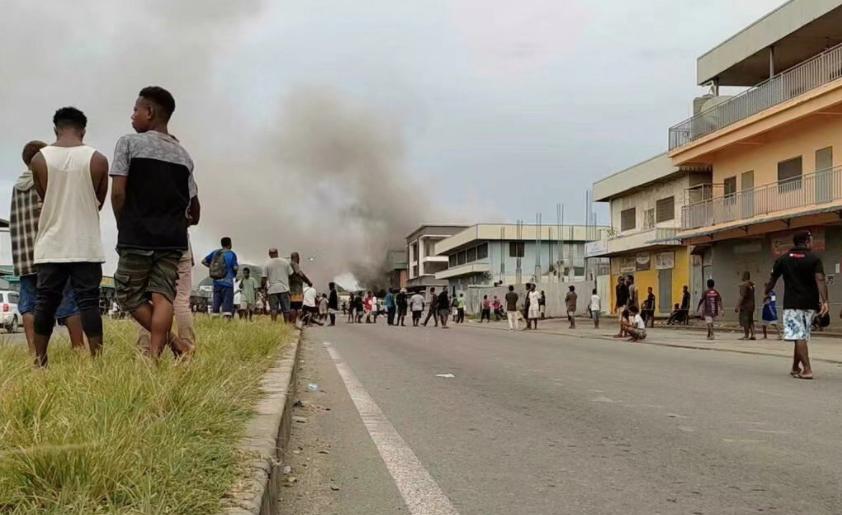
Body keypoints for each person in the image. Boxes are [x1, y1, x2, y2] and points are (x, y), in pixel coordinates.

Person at [29, 107, 108, 367]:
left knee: (45, 302)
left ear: (55, 129)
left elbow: (44, 196)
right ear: (83, 130)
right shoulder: (97, 159)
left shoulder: (39, 160)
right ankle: (97, 362)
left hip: (51, 244)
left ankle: (40, 362)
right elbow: (99, 201)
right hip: (85, 244)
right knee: (88, 302)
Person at [11, 140, 86, 356]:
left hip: (25, 258)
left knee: (28, 305)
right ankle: (78, 350)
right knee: (69, 303)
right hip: (52, 255)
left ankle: (35, 355)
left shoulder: (17, 186)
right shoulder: (49, 182)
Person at [766, 230, 828, 380]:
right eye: (811, 239)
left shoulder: (783, 259)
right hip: (810, 304)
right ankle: (795, 367)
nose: (812, 242)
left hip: (792, 303)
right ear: (807, 241)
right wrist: (825, 301)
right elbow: (820, 279)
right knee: (800, 335)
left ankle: (807, 370)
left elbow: (773, 279)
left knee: (798, 335)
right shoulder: (814, 259)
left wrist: (766, 291)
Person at [202, 237, 238, 320]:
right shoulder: (231, 254)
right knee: (227, 304)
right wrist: (234, 274)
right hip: (228, 283)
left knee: (216, 302)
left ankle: (215, 321)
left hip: (216, 282)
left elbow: (203, 261)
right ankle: (226, 322)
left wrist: (212, 268)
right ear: (230, 244)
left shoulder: (215, 253)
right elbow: (235, 268)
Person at [262, 248, 294, 323]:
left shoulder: (267, 264)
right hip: (284, 289)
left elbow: (264, 278)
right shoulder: (285, 262)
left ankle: (274, 324)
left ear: (269, 254)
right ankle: (286, 324)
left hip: (272, 289)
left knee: (273, 309)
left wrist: (263, 287)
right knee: (286, 309)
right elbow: (291, 274)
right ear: (277, 253)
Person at [288, 252, 313, 325]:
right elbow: (300, 273)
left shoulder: (290, 264)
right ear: (296, 257)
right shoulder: (294, 264)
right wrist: (308, 281)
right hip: (296, 290)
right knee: (296, 307)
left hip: (292, 289)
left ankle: (293, 323)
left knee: (293, 306)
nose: (299, 260)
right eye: (298, 258)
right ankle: (295, 323)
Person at [737, 271, 756, 340]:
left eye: (742, 275)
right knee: (751, 320)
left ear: (745, 276)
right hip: (752, 305)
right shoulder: (752, 285)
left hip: (745, 306)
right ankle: (753, 334)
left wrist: (737, 306)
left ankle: (746, 335)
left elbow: (742, 296)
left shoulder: (744, 285)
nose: (741, 277)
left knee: (745, 320)